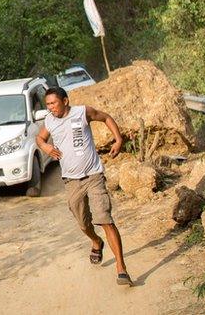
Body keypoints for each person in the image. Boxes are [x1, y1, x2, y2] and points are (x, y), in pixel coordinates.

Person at [36, 86, 133, 286]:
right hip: (71, 180)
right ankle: (96, 242)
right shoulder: (50, 121)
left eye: (54, 103)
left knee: (105, 219)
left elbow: (105, 117)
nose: (51, 108)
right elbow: (40, 138)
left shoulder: (82, 112)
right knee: (83, 223)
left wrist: (118, 139)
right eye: (48, 105)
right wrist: (45, 146)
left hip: (93, 175)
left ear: (65, 101)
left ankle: (121, 269)